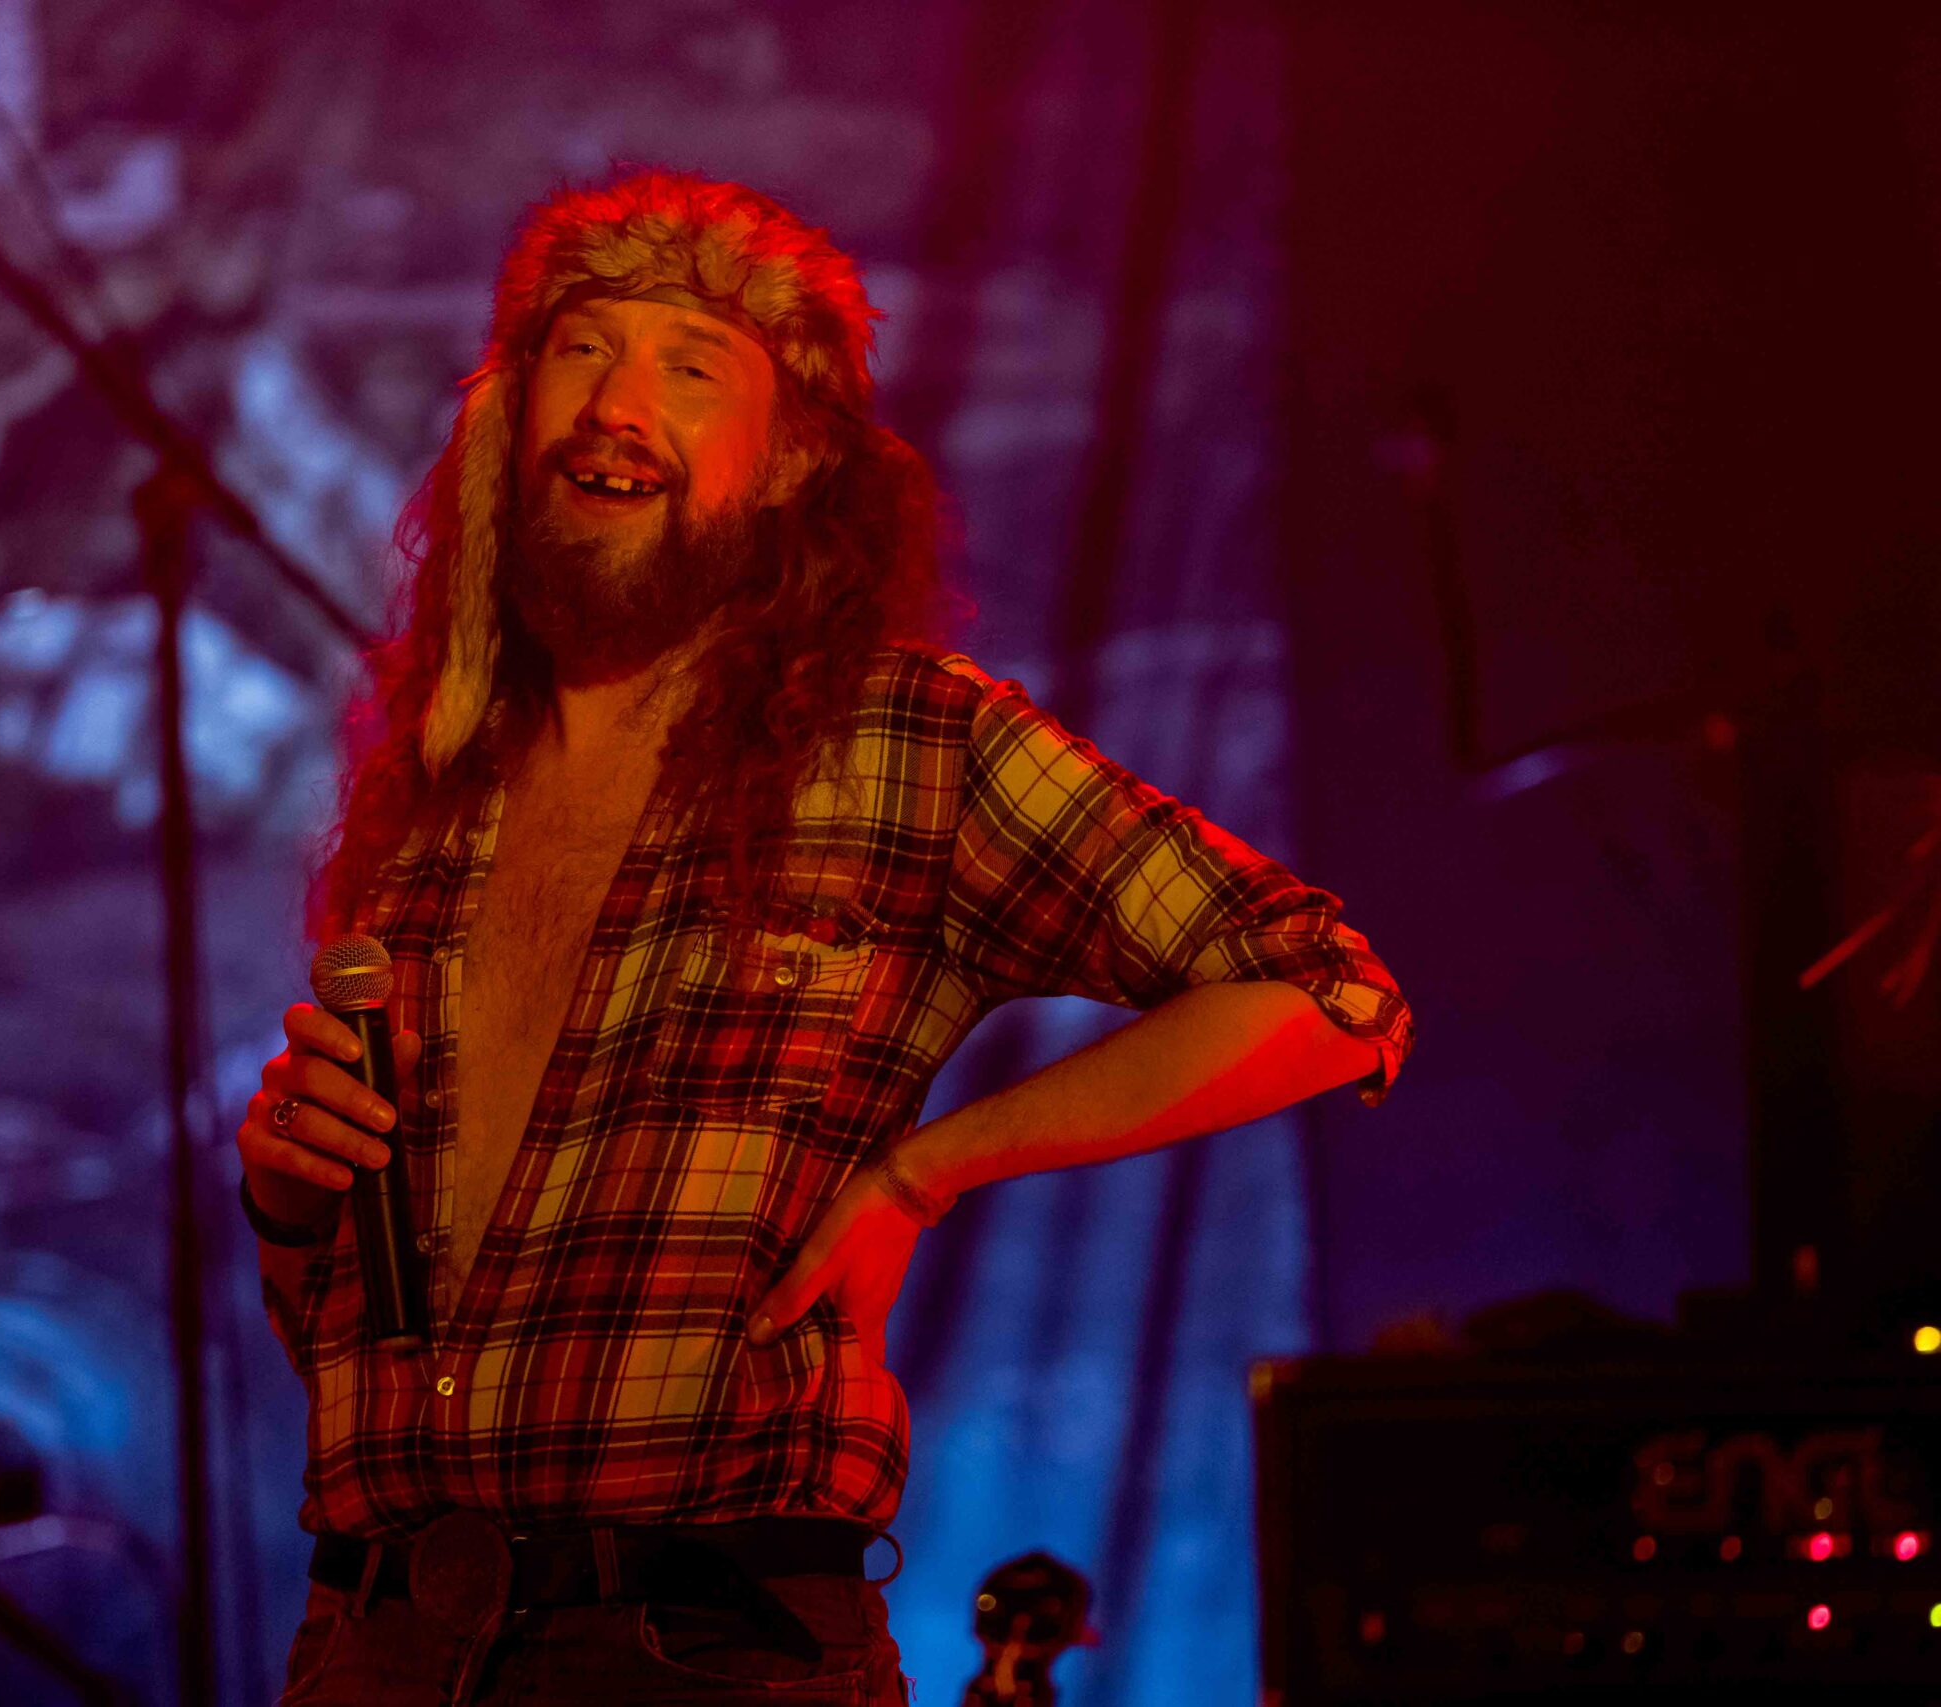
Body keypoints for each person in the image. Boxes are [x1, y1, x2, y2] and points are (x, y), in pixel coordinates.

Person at [236, 170, 1412, 1705]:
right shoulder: (435, 787)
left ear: (792, 461)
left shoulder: (901, 743)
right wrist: (287, 1197)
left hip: (695, 1652)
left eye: (691, 367)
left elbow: (1327, 993)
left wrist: (925, 1174)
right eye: (583, 351)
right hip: (376, 1642)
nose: (616, 405)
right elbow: (352, 1348)